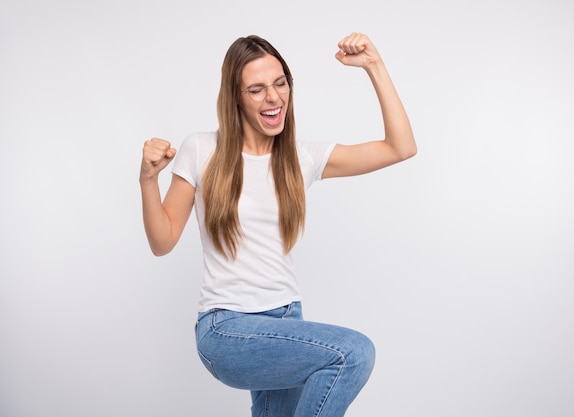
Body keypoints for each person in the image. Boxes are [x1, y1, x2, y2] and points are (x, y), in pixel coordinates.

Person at [139, 32, 416, 417]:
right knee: (353, 353)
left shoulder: (302, 158)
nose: (273, 98)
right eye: (256, 89)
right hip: (227, 329)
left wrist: (374, 65)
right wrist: (148, 180)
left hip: (287, 319)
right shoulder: (202, 149)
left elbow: (400, 147)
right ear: (235, 97)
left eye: (280, 83)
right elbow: (162, 240)